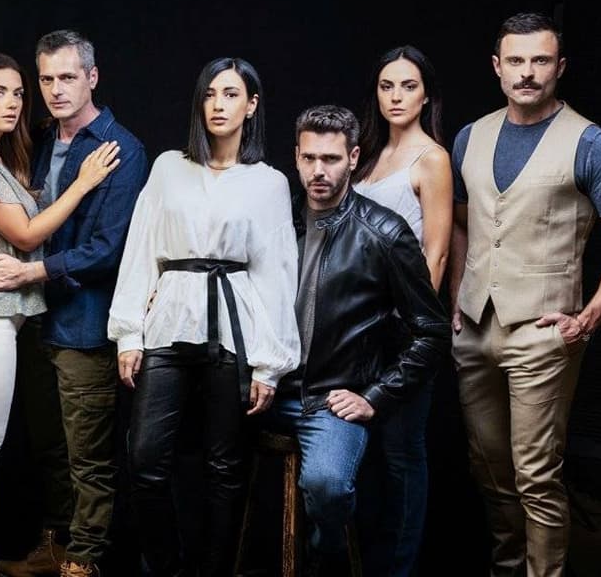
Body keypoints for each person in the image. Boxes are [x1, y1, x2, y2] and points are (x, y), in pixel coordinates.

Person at [0, 30, 149, 577]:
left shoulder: (120, 149)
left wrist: (31, 270)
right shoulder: (35, 137)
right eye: (45, 79)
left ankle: (83, 558)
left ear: (92, 77)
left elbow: (108, 249)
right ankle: (57, 542)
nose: (56, 90)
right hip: (33, 319)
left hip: (84, 321)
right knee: (47, 445)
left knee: (88, 453)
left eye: (68, 77)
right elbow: (4, 210)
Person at [448, 13, 601, 576]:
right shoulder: (470, 137)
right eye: (516, 61)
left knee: (536, 477)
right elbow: (461, 226)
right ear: (497, 67)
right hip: (475, 328)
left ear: (560, 67)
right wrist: (456, 298)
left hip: (544, 334)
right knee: (489, 471)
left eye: (541, 60)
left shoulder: (593, 145)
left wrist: (588, 319)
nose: (527, 72)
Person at [108, 57, 300, 577]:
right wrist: (128, 333)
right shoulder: (169, 166)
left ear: (251, 105)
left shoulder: (268, 182)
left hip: (234, 330)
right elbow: (141, 248)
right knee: (145, 460)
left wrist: (269, 365)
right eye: (210, 93)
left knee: (224, 467)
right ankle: (167, 568)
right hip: (169, 320)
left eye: (231, 94)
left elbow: (278, 273)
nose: (218, 104)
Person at [274, 105, 449, 574]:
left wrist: (375, 396)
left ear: (353, 158)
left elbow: (431, 332)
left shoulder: (384, 233)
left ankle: (323, 560)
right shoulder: (275, 220)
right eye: (309, 158)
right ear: (296, 157)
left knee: (328, 486)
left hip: (330, 400)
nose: (318, 171)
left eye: (331, 159)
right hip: (268, 389)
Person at [352, 45, 452, 576]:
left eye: (408, 86)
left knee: (401, 454)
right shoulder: (368, 155)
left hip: (404, 330)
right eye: (386, 86)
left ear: (426, 95)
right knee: (366, 457)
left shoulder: (431, 159)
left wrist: (415, 330)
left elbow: (436, 253)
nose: (396, 96)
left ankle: (399, 569)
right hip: (358, 329)